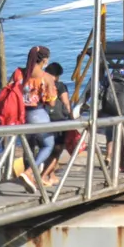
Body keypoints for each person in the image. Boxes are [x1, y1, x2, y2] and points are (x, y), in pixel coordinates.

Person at [16, 45, 58, 192]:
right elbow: (51, 101)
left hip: (20, 116)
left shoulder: (18, 73)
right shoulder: (45, 77)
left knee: (28, 148)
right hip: (37, 114)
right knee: (47, 145)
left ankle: (29, 180)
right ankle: (28, 173)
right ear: (44, 60)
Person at [40, 62, 78, 184]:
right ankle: (43, 175)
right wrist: (71, 118)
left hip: (43, 119)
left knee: (47, 148)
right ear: (56, 75)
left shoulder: (41, 84)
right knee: (57, 150)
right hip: (59, 121)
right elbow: (66, 104)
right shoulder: (60, 86)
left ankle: (51, 175)